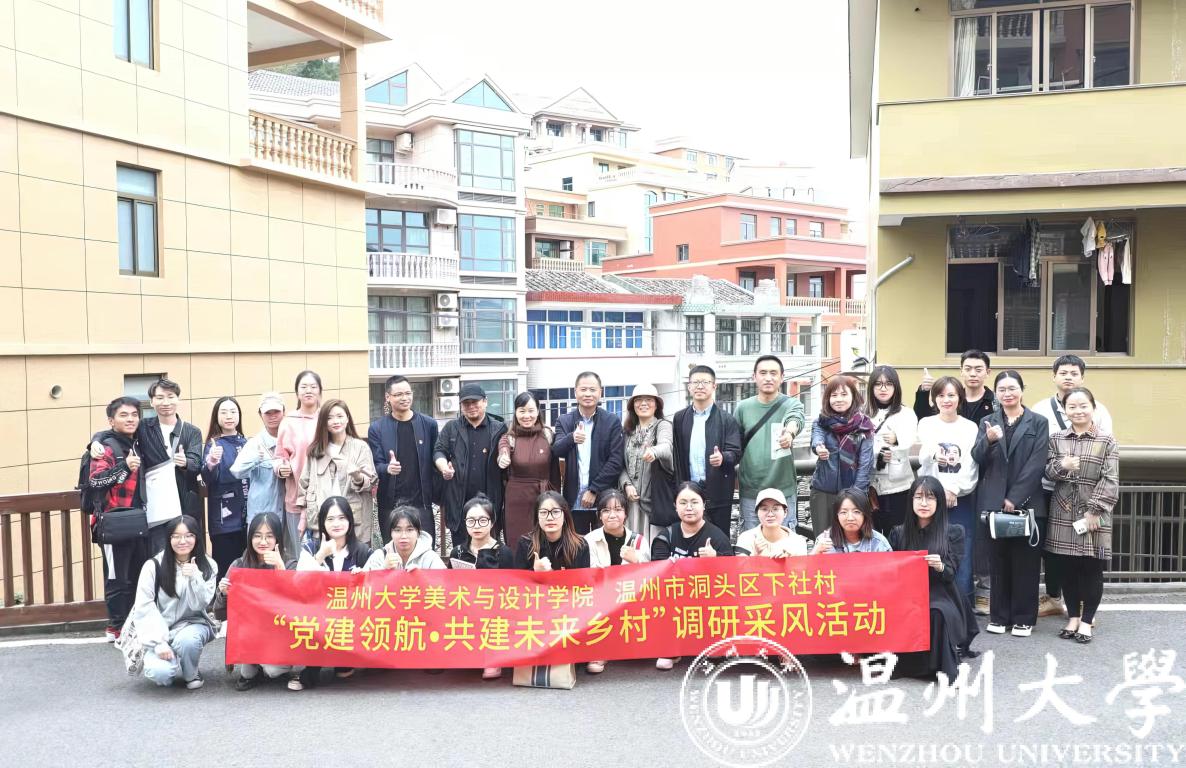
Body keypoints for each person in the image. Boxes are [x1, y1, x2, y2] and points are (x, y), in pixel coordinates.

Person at [1031, 355, 1114, 619]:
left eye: (1074, 373)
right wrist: (1061, 466)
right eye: (1063, 372)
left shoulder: (1100, 411)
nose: (1068, 377)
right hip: (1053, 491)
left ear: (1082, 377)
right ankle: (1054, 597)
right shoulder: (1041, 408)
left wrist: (1096, 507)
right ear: (1054, 376)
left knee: (1089, 557)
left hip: (1090, 495)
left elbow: (1108, 464)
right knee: (1054, 551)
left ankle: (1084, 611)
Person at [971, 371, 1049, 638]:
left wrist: (1014, 498)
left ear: (1022, 390)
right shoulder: (987, 422)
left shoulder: (1038, 422)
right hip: (994, 503)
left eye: (1012, 388)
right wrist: (988, 440)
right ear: (996, 393)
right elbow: (977, 457)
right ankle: (999, 616)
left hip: (1027, 503)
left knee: (1026, 563)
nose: (1007, 393)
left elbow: (1037, 463)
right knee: (998, 562)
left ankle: (1024, 618)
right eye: (1002, 389)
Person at [91, 379, 203, 554]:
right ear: (151, 402)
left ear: (178, 399)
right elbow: (111, 431)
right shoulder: (144, 426)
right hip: (154, 506)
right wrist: (95, 441)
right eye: (160, 397)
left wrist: (186, 462)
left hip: (184, 505)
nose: (165, 402)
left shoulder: (192, 431)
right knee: (157, 555)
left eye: (170, 397)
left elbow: (196, 464)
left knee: (185, 555)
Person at [1044, 387, 1119, 644]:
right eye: (1072, 407)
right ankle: (1073, 617)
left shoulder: (1106, 440)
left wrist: (1094, 510)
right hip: (1063, 510)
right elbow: (1047, 473)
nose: (1078, 411)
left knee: (1091, 568)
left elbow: (1110, 479)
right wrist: (1061, 466)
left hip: (1094, 512)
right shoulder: (1056, 438)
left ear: (1093, 408)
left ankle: (1087, 621)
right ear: (1065, 411)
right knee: (1067, 568)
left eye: (1083, 405)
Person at [889, 477, 979, 680]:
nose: (924, 503)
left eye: (930, 498)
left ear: (939, 502)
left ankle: (940, 667)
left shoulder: (953, 532)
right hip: (908, 591)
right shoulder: (899, 532)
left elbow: (951, 574)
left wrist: (940, 566)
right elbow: (890, 571)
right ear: (910, 501)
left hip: (941, 590)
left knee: (937, 612)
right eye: (918, 497)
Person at [212, 513, 303, 692]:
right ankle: (254, 666)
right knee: (247, 673)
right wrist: (223, 593)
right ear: (250, 538)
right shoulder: (239, 565)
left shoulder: (290, 563)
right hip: (250, 633)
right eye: (257, 536)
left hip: (279, 632)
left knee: (273, 670)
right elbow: (219, 612)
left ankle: (270, 663)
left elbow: (297, 605)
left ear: (277, 538)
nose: (263, 541)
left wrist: (281, 569)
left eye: (269, 536)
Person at [129, 515, 218, 689]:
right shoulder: (153, 566)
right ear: (168, 539)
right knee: (161, 674)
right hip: (160, 628)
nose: (182, 541)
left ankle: (191, 673)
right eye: (176, 536)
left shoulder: (208, 565)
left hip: (193, 625)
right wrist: (158, 643)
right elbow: (144, 607)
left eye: (189, 535)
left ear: (197, 538)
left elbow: (199, 605)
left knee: (188, 641)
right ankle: (169, 661)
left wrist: (195, 577)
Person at [650, 482, 732, 671]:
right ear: (675, 506)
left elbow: (733, 576)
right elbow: (657, 575)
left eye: (694, 502)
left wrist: (715, 559)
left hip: (707, 601)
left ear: (704, 505)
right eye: (683, 502)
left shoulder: (718, 537)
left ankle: (711, 640)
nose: (689, 507)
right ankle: (670, 647)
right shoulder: (666, 536)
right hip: (675, 601)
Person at [916, 376, 980, 603]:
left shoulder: (970, 427)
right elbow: (921, 458)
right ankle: (932, 602)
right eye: (941, 395)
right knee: (930, 549)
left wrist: (953, 489)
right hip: (929, 497)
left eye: (951, 395)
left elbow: (971, 463)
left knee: (962, 549)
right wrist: (933, 454)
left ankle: (963, 603)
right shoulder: (926, 424)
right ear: (933, 399)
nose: (946, 400)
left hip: (960, 497)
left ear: (960, 398)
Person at [88, 396, 146, 641]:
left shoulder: (138, 442)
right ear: (111, 421)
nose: (130, 419)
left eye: (134, 414)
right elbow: (95, 481)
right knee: (116, 577)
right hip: (113, 522)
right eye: (124, 415)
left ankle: (131, 624)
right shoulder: (107, 447)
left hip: (137, 520)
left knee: (137, 574)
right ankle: (116, 626)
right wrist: (124, 467)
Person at [297, 497, 372, 682]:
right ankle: (313, 664)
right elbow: (300, 582)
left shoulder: (362, 551)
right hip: (318, 615)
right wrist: (321, 555)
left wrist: (363, 577)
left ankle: (345, 659)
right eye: (330, 519)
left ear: (350, 521)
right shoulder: (311, 547)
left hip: (350, 619)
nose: (336, 524)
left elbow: (377, 585)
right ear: (322, 523)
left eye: (341, 518)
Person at [734, 356, 806, 533]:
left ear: (782, 377)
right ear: (754, 377)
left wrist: (789, 433)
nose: (768, 378)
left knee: (785, 540)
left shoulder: (791, 404)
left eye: (773, 373)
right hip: (751, 490)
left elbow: (795, 419)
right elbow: (734, 444)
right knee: (752, 541)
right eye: (763, 373)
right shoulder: (743, 408)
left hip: (783, 490)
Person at [583, 488, 651, 675]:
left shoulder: (639, 541)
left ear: (626, 513)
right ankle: (600, 650)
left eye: (618, 509)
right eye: (606, 510)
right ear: (599, 515)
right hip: (601, 597)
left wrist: (636, 561)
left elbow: (650, 577)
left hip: (630, 596)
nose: (612, 515)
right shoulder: (589, 540)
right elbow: (589, 576)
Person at [449, 494, 514, 682]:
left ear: (492, 522)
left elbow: (512, 589)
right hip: (466, 607)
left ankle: (491, 657)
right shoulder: (458, 552)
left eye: (482, 520)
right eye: (471, 521)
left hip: (496, 610)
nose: (476, 526)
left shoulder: (504, 552)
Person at [367, 375, 439, 545]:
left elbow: (436, 457)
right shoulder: (377, 428)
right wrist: (387, 468)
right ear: (388, 397)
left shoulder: (429, 424)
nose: (405, 398)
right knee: (393, 551)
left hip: (421, 502)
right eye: (399, 394)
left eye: (408, 393)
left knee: (425, 549)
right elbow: (375, 465)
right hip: (390, 503)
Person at [671, 366, 741, 536]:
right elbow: (677, 455)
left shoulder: (727, 419)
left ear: (714, 386)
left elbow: (736, 452)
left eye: (705, 382)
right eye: (696, 382)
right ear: (689, 386)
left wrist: (723, 457)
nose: (700, 386)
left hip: (718, 490)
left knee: (718, 538)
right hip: (689, 490)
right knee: (689, 537)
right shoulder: (680, 418)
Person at [434, 384, 507, 548]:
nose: (471, 406)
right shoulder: (452, 428)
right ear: (461, 406)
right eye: (466, 403)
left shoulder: (499, 428)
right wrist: (444, 467)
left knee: (489, 552)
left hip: (490, 503)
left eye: (475, 402)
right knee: (462, 551)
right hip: (459, 504)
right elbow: (439, 451)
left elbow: (509, 445)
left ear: (485, 402)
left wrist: (505, 455)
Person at [296, 399, 377, 547]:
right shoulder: (316, 450)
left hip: (354, 521)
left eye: (340, 416)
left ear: (347, 418)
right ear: (323, 422)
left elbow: (371, 482)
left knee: (355, 559)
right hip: (321, 521)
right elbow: (303, 484)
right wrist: (303, 518)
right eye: (329, 418)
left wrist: (358, 477)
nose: (335, 421)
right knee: (324, 559)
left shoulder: (360, 447)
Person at [553, 372, 625, 534]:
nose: (588, 394)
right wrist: (571, 438)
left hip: (603, 499)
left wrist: (594, 489)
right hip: (574, 499)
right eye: (583, 389)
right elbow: (556, 449)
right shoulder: (564, 421)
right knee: (577, 544)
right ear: (575, 392)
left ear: (600, 392)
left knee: (604, 543)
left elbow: (616, 461)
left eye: (592, 390)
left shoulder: (612, 421)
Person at [809, 376, 875, 537]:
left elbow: (865, 465)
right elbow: (817, 438)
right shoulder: (821, 422)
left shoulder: (864, 426)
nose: (839, 399)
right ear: (827, 398)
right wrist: (819, 447)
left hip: (853, 491)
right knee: (824, 539)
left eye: (844, 394)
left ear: (853, 396)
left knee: (851, 540)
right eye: (834, 395)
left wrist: (855, 496)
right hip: (823, 491)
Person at [498, 391, 559, 546]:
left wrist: (556, 498)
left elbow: (554, 470)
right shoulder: (509, 437)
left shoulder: (548, 435)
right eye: (522, 411)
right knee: (517, 541)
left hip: (544, 497)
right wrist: (503, 457)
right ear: (515, 412)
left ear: (538, 411)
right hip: (516, 499)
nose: (527, 416)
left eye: (531, 411)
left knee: (545, 541)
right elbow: (503, 450)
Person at [618, 383, 675, 542]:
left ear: (656, 404)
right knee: (631, 545)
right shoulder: (627, 432)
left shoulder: (663, 425)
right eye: (638, 400)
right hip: (630, 503)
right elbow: (620, 464)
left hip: (654, 502)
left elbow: (666, 446)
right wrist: (626, 485)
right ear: (632, 405)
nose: (643, 403)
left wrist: (654, 451)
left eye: (649, 399)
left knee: (653, 545)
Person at [275, 370, 323, 556]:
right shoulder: (288, 421)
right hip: (296, 497)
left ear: (320, 391)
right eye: (303, 387)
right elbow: (279, 456)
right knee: (299, 554)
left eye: (313, 387)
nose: (308, 390)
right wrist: (281, 467)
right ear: (297, 392)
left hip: (325, 495)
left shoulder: (327, 418)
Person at [201, 396, 249, 582]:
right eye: (224, 412)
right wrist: (212, 461)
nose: (229, 416)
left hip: (249, 517)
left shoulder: (247, 443)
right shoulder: (213, 445)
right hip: (224, 521)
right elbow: (207, 478)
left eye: (233, 411)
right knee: (226, 573)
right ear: (216, 416)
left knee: (249, 572)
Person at [864, 365, 917, 533]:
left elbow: (910, 440)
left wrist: (896, 439)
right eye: (878, 384)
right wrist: (877, 455)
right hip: (870, 485)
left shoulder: (906, 413)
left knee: (898, 534)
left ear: (896, 387)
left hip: (899, 485)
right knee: (871, 535)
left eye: (888, 384)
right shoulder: (862, 414)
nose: (883, 388)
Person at [229, 392, 286, 525]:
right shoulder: (254, 444)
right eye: (267, 413)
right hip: (261, 515)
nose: (272, 416)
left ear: (284, 411)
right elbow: (236, 471)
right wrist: (255, 459)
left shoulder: (292, 440)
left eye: (276, 411)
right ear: (260, 414)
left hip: (288, 514)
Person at [514, 491, 591, 571]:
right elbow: (518, 577)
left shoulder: (580, 545)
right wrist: (535, 571)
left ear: (565, 515)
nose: (549, 518)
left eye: (555, 512)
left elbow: (584, 578)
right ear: (537, 517)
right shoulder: (525, 543)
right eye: (543, 512)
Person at [914, 349, 995, 424]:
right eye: (968, 369)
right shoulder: (952, 398)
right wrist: (924, 391)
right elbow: (922, 417)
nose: (972, 374)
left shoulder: (995, 402)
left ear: (987, 372)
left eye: (978, 370)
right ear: (961, 371)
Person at [365, 506, 447, 572]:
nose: (403, 536)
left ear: (418, 532)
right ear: (391, 533)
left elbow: (445, 583)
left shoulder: (430, 558)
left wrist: (423, 577)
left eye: (409, 530)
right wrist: (383, 569)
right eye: (397, 530)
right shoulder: (380, 556)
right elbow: (364, 584)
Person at [811, 489, 893, 554]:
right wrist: (816, 552)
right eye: (844, 512)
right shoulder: (824, 541)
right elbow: (809, 568)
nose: (850, 518)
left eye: (856, 512)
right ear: (837, 515)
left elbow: (891, 569)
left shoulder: (879, 542)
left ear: (865, 514)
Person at [735, 488, 810, 557]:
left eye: (775, 509)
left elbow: (802, 567)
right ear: (757, 512)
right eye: (764, 509)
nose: (770, 514)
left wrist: (789, 560)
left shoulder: (797, 542)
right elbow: (740, 566)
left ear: (785, 512)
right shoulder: (746, 538)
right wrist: (756, 556)